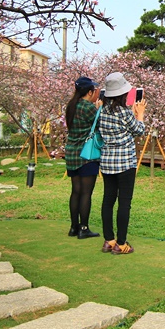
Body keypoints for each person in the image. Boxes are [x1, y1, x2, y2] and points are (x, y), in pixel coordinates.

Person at [98, 72, 146, 255]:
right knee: (124, 202)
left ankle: (108, 240)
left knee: (108, 200)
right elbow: (138, 130)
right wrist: (139, 114)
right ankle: (122, 243)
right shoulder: (125, 111)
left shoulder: (102, 110)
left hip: (108, 162)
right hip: (125, 163)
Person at [64, 76, 101, 239]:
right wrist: (99, 108)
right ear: (90, 91)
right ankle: (84, 228)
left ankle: (73, 227)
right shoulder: (88, 107)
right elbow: (100, 125)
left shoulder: (70, 106)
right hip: (87, 154)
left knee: (75, 192)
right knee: (86, 193)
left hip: (71, 153)